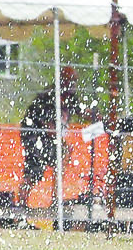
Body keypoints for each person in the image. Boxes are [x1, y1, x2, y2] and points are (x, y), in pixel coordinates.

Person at [20, 66, 89, 206]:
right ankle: (23, 206)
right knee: (34, 170)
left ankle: (55, 198)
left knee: (60, 156)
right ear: (63, 81)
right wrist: (59, 139)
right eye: (71, 82)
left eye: (74, 82)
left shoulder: (69, 97)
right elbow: (47, 125)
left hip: (45, 136)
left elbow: (82, 112)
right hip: (35, 136)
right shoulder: (50, 96)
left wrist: (97, 116)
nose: (74, 85)